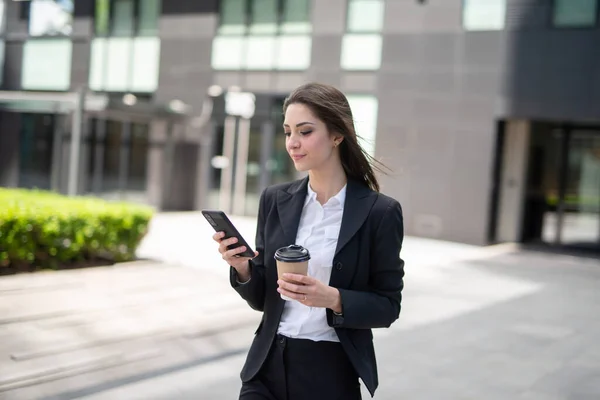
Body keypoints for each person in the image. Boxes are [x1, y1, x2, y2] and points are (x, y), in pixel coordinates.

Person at [212, 82, 405, 400]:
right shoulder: (275, 199)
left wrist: (333, 298)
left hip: (329, 373)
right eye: (288, 132)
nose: (292, 143)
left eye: (304, 131)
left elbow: (388, 306)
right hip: (267, 367)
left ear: (337, 135)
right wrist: (243, 267)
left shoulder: (379, 212)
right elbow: (264, 299)